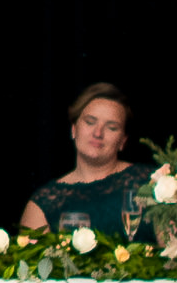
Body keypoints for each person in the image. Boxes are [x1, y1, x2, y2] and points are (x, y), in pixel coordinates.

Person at [20, 84, 145, 239]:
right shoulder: (43, 203)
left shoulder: (152, 184)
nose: (98, 133)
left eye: (111, 128)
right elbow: (32, 261)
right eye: (90, 122)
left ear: (123, 141)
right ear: (73, 129)